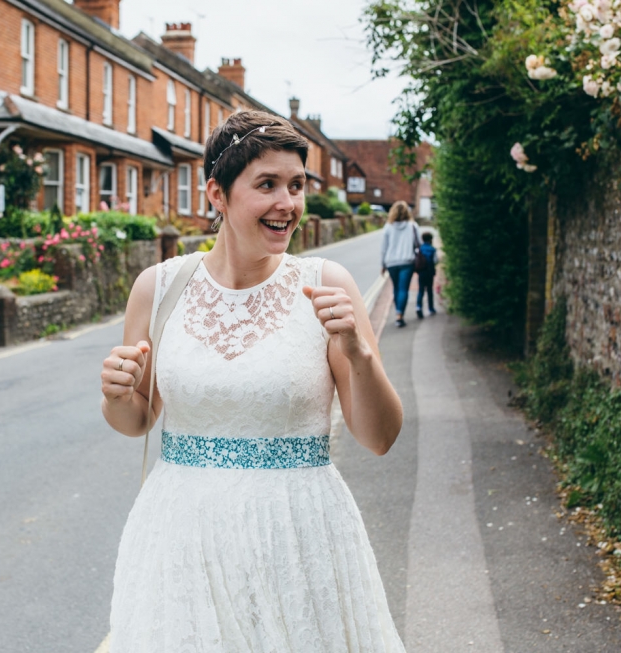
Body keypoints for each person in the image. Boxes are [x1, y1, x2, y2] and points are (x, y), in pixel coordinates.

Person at [100, 110, 406, 652]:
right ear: (217, 194)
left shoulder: (326, 285)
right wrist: (117, 395)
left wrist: (359, 354)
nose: (288, 204)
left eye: (296, 186)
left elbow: (379, 438)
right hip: (181, 536)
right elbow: (136, 420)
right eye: (267, 185)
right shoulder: (159, 288)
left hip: (298, 535)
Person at [380, 200, 420, 328]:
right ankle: (399, 315)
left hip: (391, 263)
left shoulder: (388, 227)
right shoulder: (413, 226)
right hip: (407, 262)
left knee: (396, 288)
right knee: (403, 288)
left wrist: (382, 265)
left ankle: (399, 313)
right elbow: (419, 244)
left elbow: (383, 248)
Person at [415, 231, 438, 319]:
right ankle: (431, 308)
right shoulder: (432, 249)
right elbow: (436, 261)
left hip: (421, 272)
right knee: (429, 290)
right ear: (430, 239)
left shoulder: (419, 249)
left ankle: (418, 307)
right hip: (430, 272)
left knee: (421, 290)